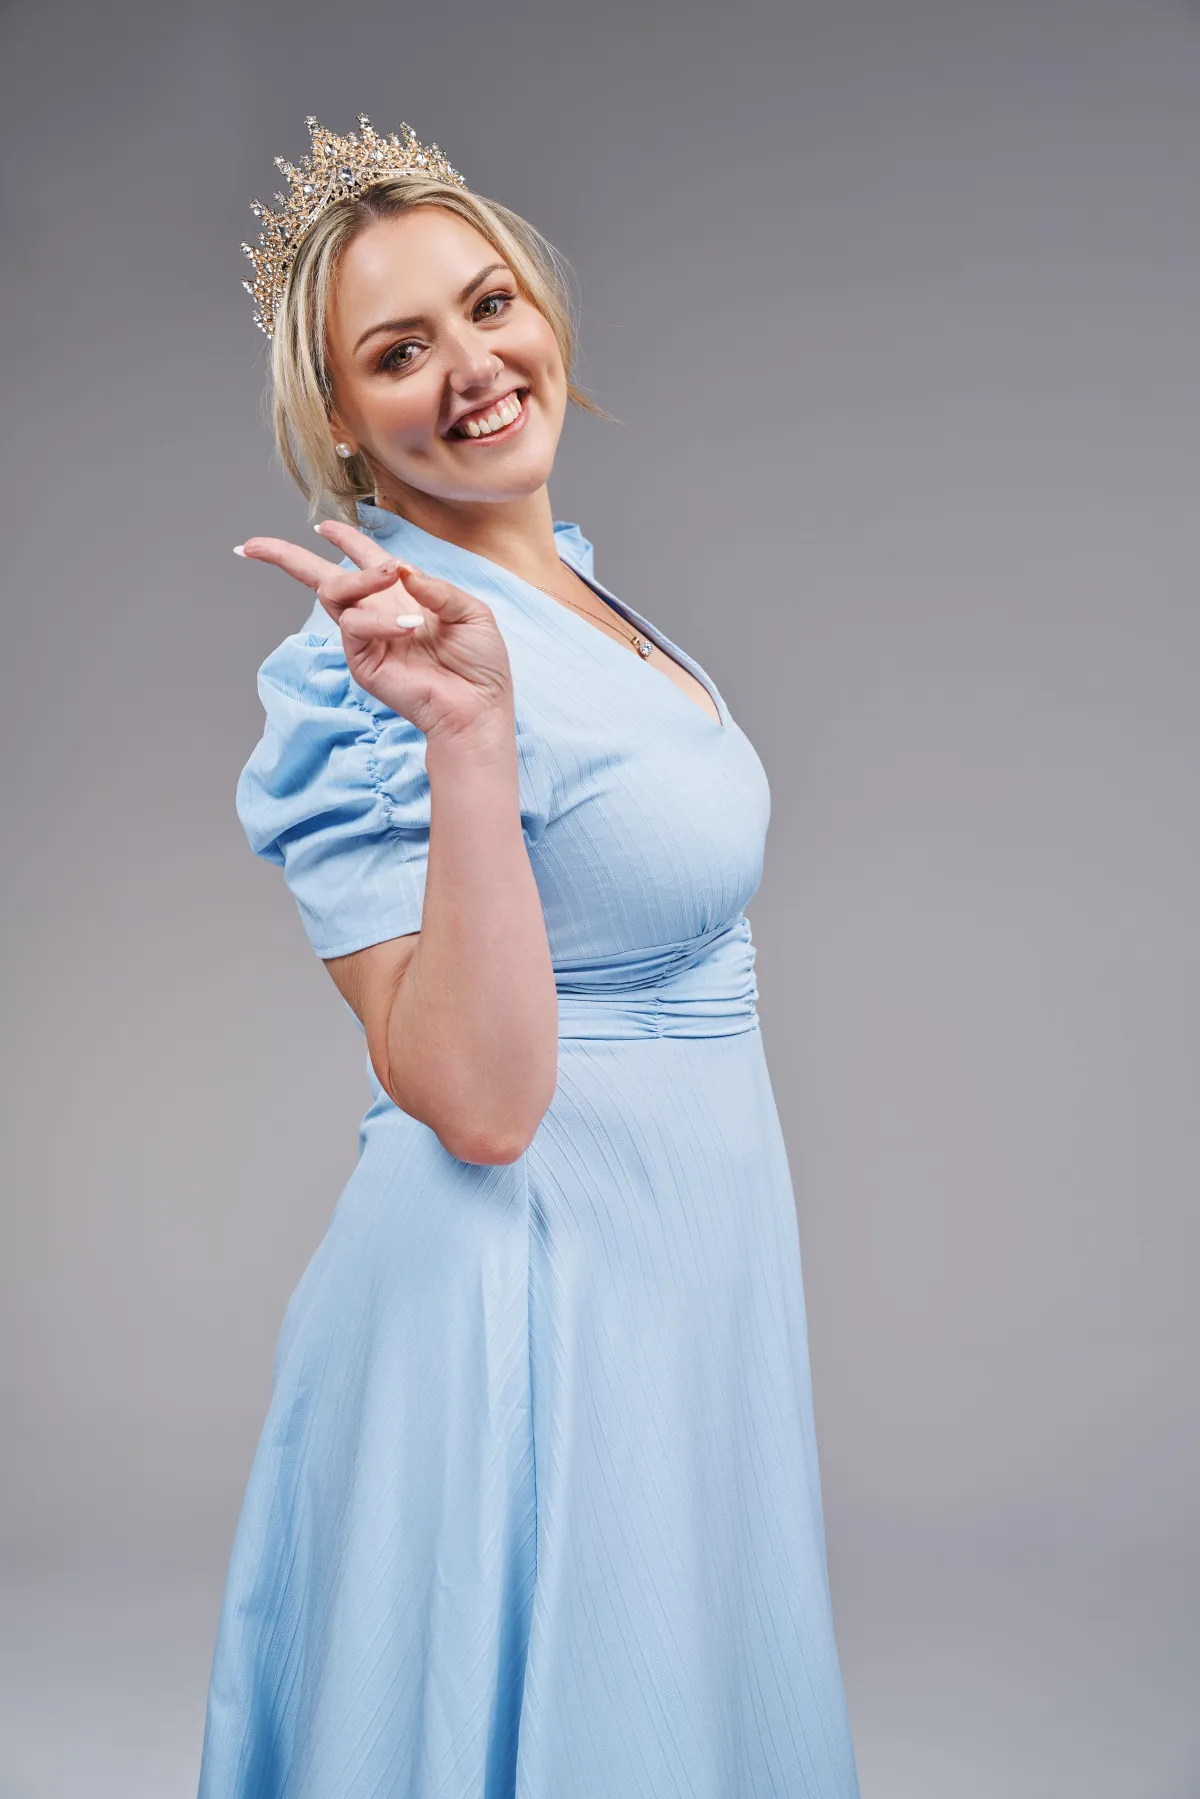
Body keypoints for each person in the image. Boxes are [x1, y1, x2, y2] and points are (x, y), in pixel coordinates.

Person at [197, 112, 861, 1799]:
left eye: (490, 305)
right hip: (524, 1301)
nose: (474, 367)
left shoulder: (572, 589)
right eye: (399, 351)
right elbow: (480, 1105)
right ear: (339, 422)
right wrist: (468, 737)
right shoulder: (369, 672)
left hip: (680, 1278)